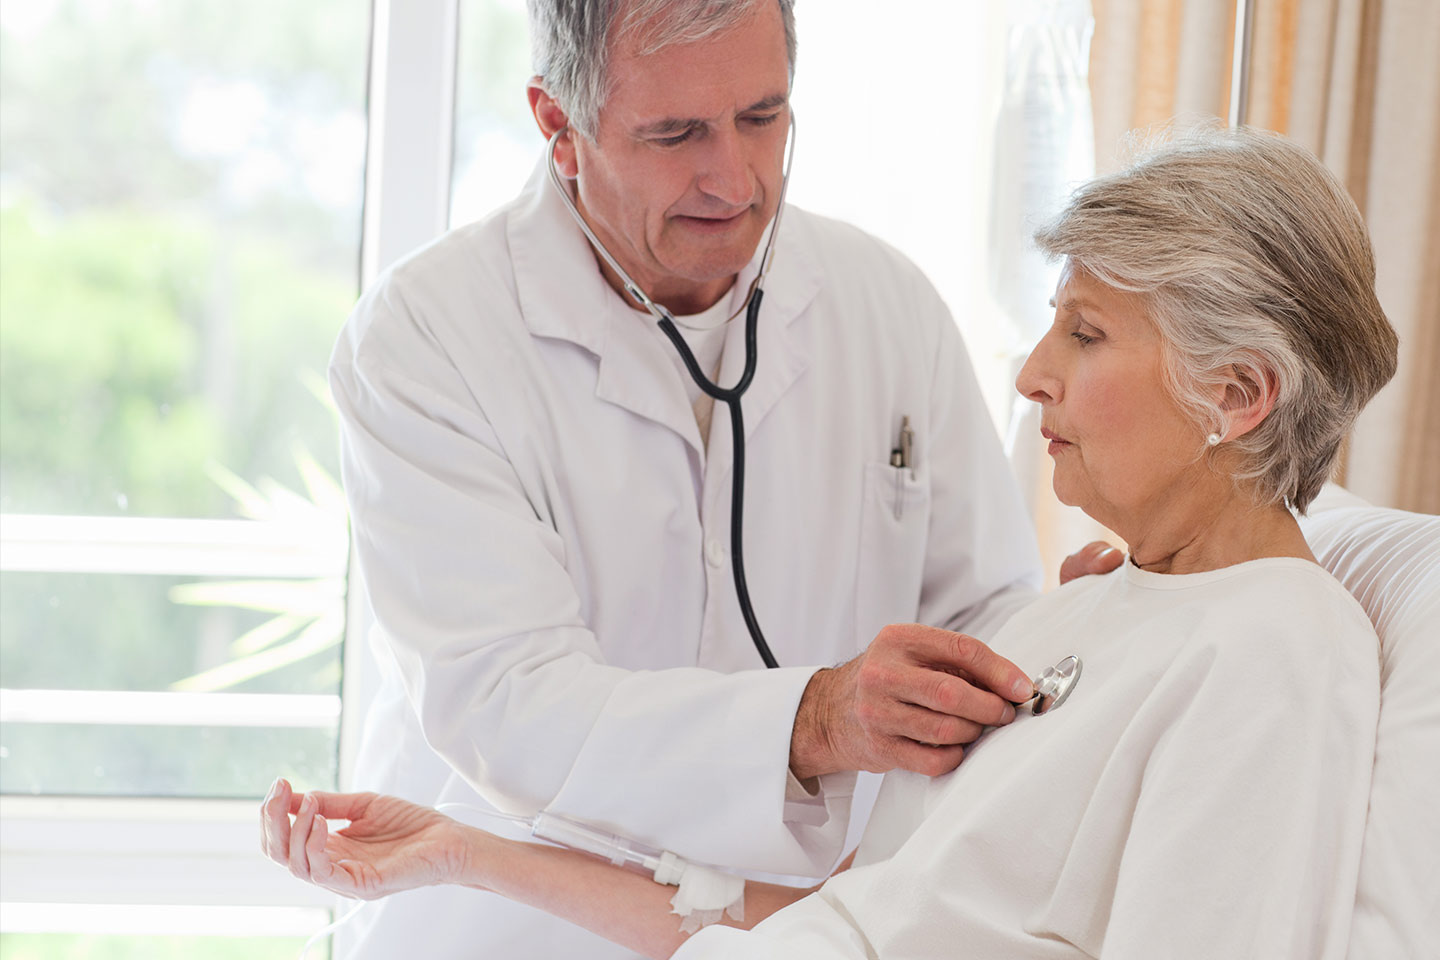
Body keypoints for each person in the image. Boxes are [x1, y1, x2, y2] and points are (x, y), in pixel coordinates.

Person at [263, 125, 1398, 958]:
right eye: (674, 131)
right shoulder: (1078, 619)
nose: (1030, 373)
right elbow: (825, 923)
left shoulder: (1273, 652)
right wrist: (463, 851)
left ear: (1239, 392)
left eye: (1086, 333)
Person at [318, 1, 1111, 956]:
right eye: (675, 132)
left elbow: (977, 611)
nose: (732, 179)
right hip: (509, 928)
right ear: (557, 125)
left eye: (762, 117)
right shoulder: (428, 338)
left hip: (802, 928)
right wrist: (813, 721)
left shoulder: (885, 305)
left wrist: (1063, 642)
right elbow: (508, 705)